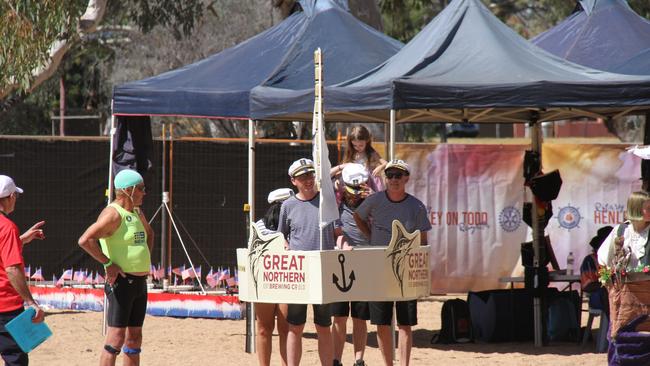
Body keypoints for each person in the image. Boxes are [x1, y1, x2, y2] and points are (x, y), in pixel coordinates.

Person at [353, 159, 432, 366]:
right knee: (381, 322)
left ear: (407, 178)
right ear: (385, 178)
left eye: (399, 175)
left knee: (405, 324)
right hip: (379, 267)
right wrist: (370, 236)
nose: (394, 179)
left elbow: (423, 241)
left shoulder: (416, 206)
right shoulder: (375, 200)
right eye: (390, 175)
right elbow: (358, 216)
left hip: (405, 269)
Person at [78, 169, 154, 366]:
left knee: (134, 337)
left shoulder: (136, 211)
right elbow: (85, 240)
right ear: (128, 190)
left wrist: (143, 259)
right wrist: (108, 263)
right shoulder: (113, 214)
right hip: (121, 283)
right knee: (116, 338)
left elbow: (150, 234)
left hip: (139, 282)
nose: (144, 193)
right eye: (141, 188)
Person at [278, 158, 335, 366]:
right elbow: (281, 235)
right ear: (294, 181)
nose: (308, 180)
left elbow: (338, 231)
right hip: (299, 275)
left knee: (323, 326)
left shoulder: (327, 201)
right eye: (303, 177)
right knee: (295, 326)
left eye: (310, 175)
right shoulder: (288, 205)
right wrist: (284, 244)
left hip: (323, 272)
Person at [0, 175, 46, 366]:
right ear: (10, 196)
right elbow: (11, 269)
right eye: (15, 196)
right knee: (15, 360)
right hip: (6, 306)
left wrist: (21, 240)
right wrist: (30, 301)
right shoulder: (7, 227)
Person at [331, 164, 373, 366]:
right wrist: (340, 167)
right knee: (339, 317)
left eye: (360, 187)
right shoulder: (336, 197)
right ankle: (336, 360)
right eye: (352, 188)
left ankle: (359, 360)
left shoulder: (372, 198)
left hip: (364, 261)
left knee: (360, 317)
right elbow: (321, 181)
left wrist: (372, 197)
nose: (356, 193)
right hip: (340, 264)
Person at [254, 188, 293, 366]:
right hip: (265, 282)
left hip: (288, 281)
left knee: (286, 328)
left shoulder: (295, 224)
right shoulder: (260, 227)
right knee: (263, 328)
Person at [598, 191, 650, 270]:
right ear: (637, 209)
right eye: (648, 208)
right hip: (624, 281)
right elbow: (603, 258)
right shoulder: (621, 230)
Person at [331, 125, 387, 191]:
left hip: (370, 182)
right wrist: (338, 179)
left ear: (367, 141)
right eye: (355, 145)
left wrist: (380, 167)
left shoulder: (371, 152)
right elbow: (344, 169)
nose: (358, 148)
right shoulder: (351, 153)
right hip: (353, 182)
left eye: (361, 145)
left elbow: (386, 163)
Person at [580, 226, 613, 316]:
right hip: (598, 297)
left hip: (615, 294)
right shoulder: (590, 260)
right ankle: (612, 324)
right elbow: (587, 286)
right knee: (606, 292)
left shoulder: (616, 259)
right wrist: (608, 285)